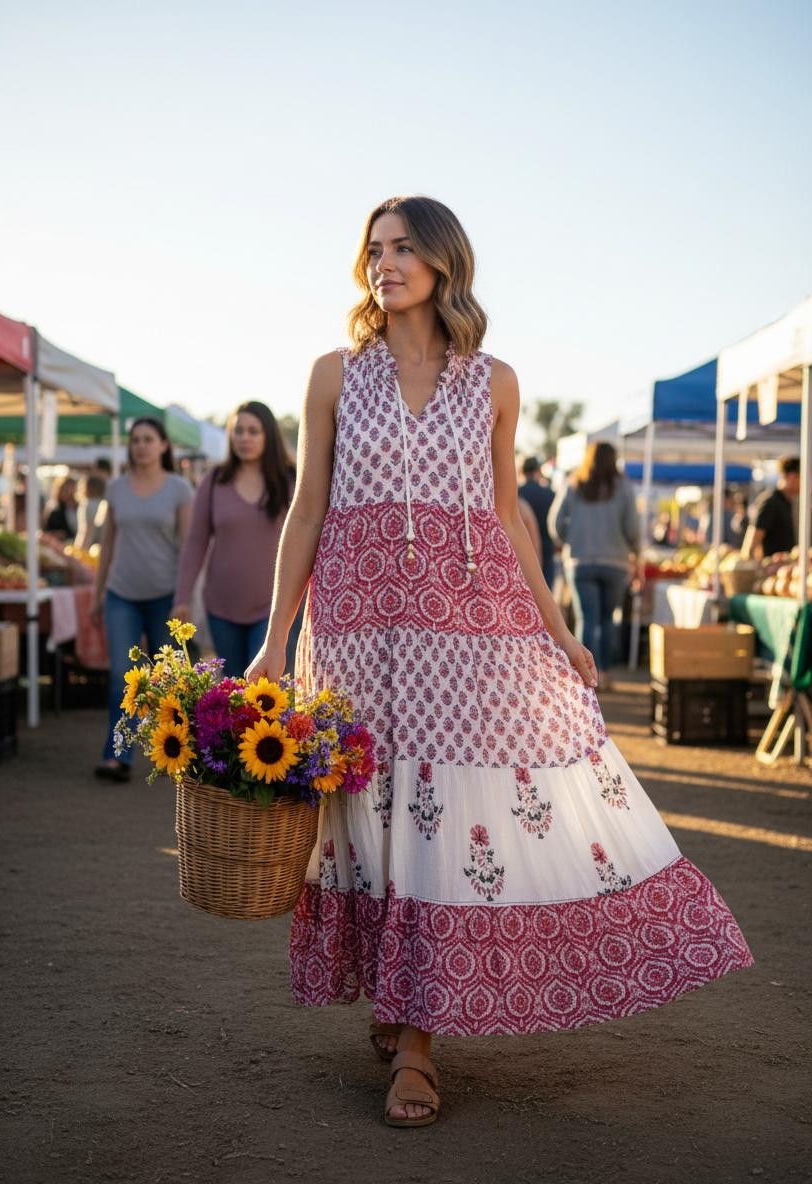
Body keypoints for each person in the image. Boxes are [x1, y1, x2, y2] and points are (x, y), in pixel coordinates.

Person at [245, 195, 752, 1128]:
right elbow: (307, 508)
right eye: (373, 249)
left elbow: (508, 514)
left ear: (444, 262)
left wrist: (558, 630)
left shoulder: (495, 381)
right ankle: (397, 1006)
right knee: (370, 808)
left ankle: (420, 1048)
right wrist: (277, 638)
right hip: (355, 624)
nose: (383, 264)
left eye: (402, 248)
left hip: (470, 628)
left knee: (444, 812)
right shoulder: (331, 375)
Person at [91, 418, 193, 781]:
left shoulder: (180, 489)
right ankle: (117, 756)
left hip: (165, 596)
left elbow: (188, 547)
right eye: (136, 440)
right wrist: (97, 594)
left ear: (164, 445)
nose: (141, 446)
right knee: (122, 675)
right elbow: (107, 546)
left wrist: (185, 597)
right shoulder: (116, 488)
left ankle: (172, 753)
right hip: (121, 595)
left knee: (167, 680)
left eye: (149, 439)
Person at [172, 401, 297, 675]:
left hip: (274, 609)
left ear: (269, 435)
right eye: (238, 431)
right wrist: (182, 598)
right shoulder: (215, 480)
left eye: (253, 431)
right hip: (222, 607)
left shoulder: (290, 479)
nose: (245, 438)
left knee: (264, 694)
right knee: (233, 694)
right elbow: (195, 543)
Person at [548, 442, 638, 692]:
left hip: (580, 562)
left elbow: (555, 522)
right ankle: (605, 674)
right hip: (616, 563)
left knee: (587, 618)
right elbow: (633, 528)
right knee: (608, 620)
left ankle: (584, 676)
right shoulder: (623, 487)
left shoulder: (575, 482)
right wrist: (635, 551)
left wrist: (569, 541)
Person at [742, 456, 800, 559]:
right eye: (801, 477)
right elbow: (752, 543)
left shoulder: (790, 503)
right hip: (771, 569)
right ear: (791, 476)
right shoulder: (771, 501)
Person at [517, 455, 556, 589]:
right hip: (547, 550)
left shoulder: (517, 494)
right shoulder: (549, 494)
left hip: (523, 552)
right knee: (546, 592)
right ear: (538, 471)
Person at [74, 472, 107, 551]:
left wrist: (79, 550)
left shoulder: (87, 504)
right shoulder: (104, 502)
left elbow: (86, 530)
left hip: (91, 548)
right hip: (101, 546)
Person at [43, 475, 78, 540]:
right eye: (66, 489)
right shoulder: (54, 509)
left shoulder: (79, 507)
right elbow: (47, 531)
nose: (70, 492)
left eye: (72, 489)